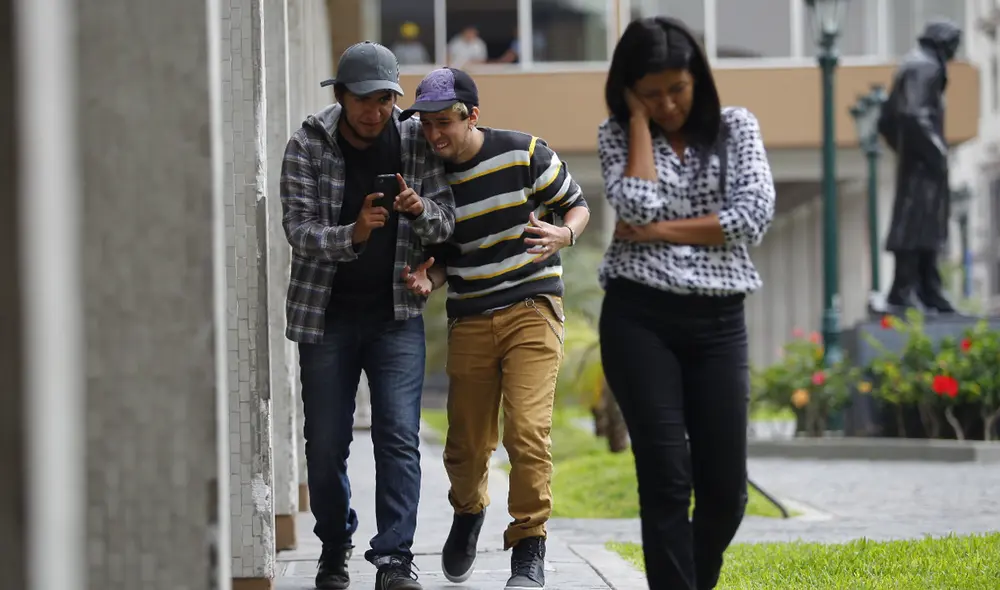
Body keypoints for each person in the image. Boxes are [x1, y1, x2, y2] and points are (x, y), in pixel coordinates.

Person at [596, 17, 775, 590]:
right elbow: (637, 204)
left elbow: (751, 218)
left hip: (720, 321)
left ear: (698, 79)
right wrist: (639, 124)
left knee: (725, 491)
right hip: (638, 318)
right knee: (666, 479)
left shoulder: (737, 127)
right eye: (651, 94)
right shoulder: (617, 134)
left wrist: (654, 233)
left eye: (678, 88)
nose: (668, 103)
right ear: (630, 91)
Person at [397, 67, 590, 590]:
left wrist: (563, 235)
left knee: (527, 431)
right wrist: (426, 277)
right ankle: (468, 511)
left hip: (532, 306)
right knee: (465, 443)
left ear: (472, 115)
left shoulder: (525, 153)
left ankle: (529, 544)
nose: (434, 135)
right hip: (471, 317)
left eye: (444, 123)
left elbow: (577, 205)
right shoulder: (431, 178)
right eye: (426, 125)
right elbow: (445, 259)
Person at [279, 41, 456, 590]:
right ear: (341, 95)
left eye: (384, 99)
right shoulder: (308, 145)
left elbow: (448, 221)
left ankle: (395, 559)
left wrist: (419, 210)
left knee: (399, 435)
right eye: (364, 100)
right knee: (326, 441)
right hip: (325, 318)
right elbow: (299, 232)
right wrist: (353, 233)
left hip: (395, 316)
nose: (375, 112)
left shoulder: (412, 140)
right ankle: (334, 546)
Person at [877, 20, 963, 314]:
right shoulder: (925, 66)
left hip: (915, 160)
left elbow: (886, 120)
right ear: (943, 42)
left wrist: (904, 149)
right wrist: (935, 152)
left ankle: (927, 287)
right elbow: (911, 114)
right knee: (918, 224)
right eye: (954, 43)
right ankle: (906, 290)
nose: (956, 51)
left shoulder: (913, 65)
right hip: (924, 162)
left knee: (924, 224)